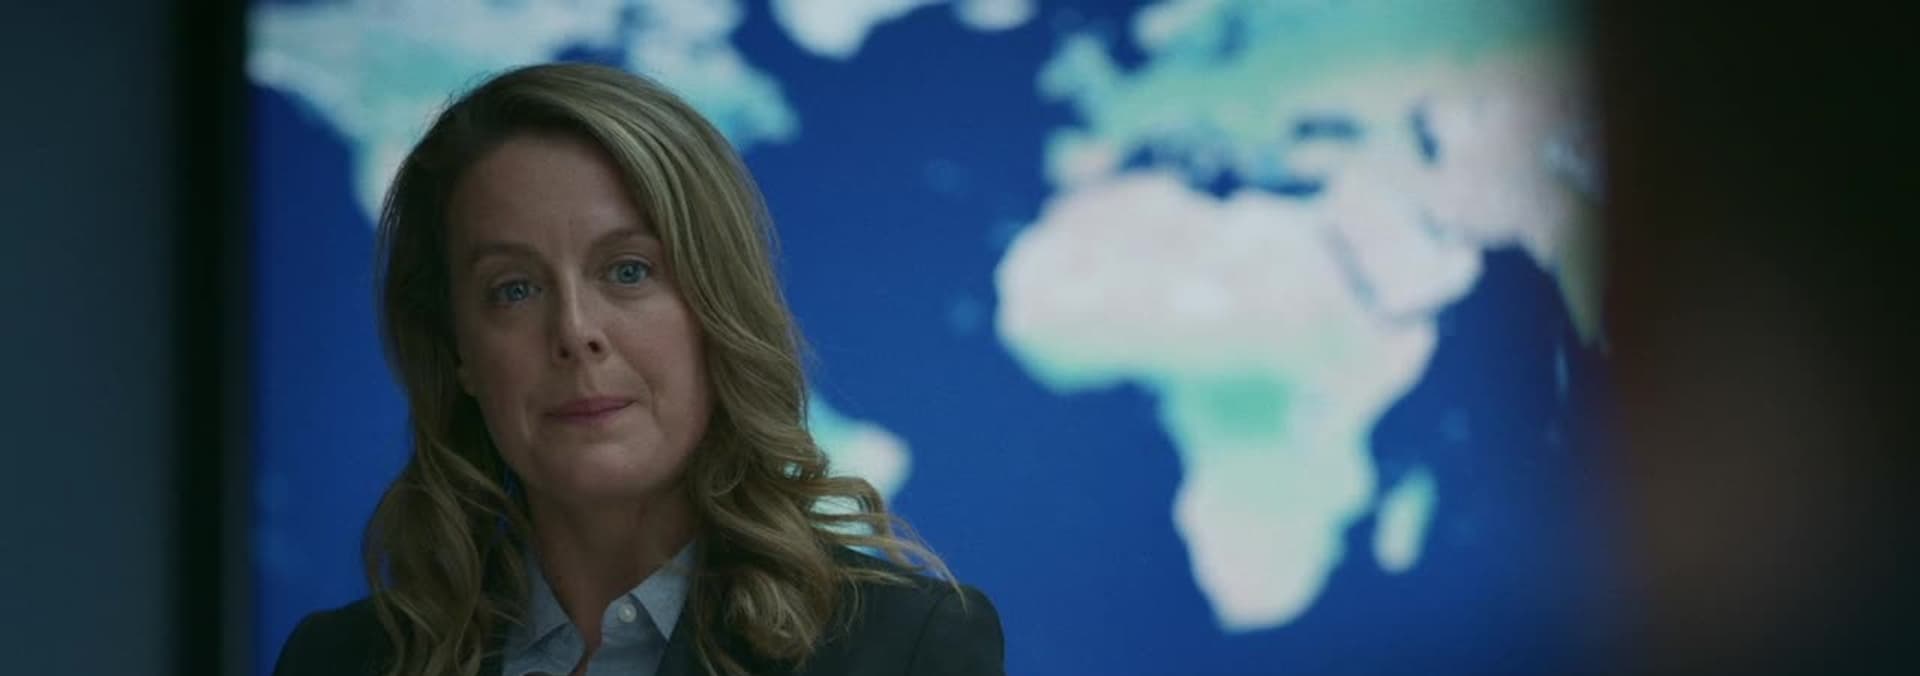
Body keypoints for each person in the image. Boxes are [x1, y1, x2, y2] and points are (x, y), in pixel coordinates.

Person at [272, 62, 1003, 676]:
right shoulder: (339, 661)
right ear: (457, 349)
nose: (575, 333)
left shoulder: (903, 649)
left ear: (715, 306)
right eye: (514, 289)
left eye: (628, 270)